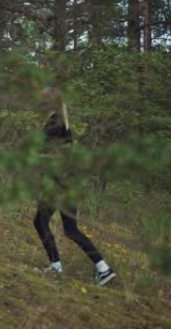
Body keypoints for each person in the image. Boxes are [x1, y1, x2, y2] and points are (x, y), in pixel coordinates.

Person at [33, 105, 116, 286]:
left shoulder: (56, 124)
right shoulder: (62, 128)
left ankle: (56, 266)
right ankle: (103, 269)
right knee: (71, 230)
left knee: (40, 222)